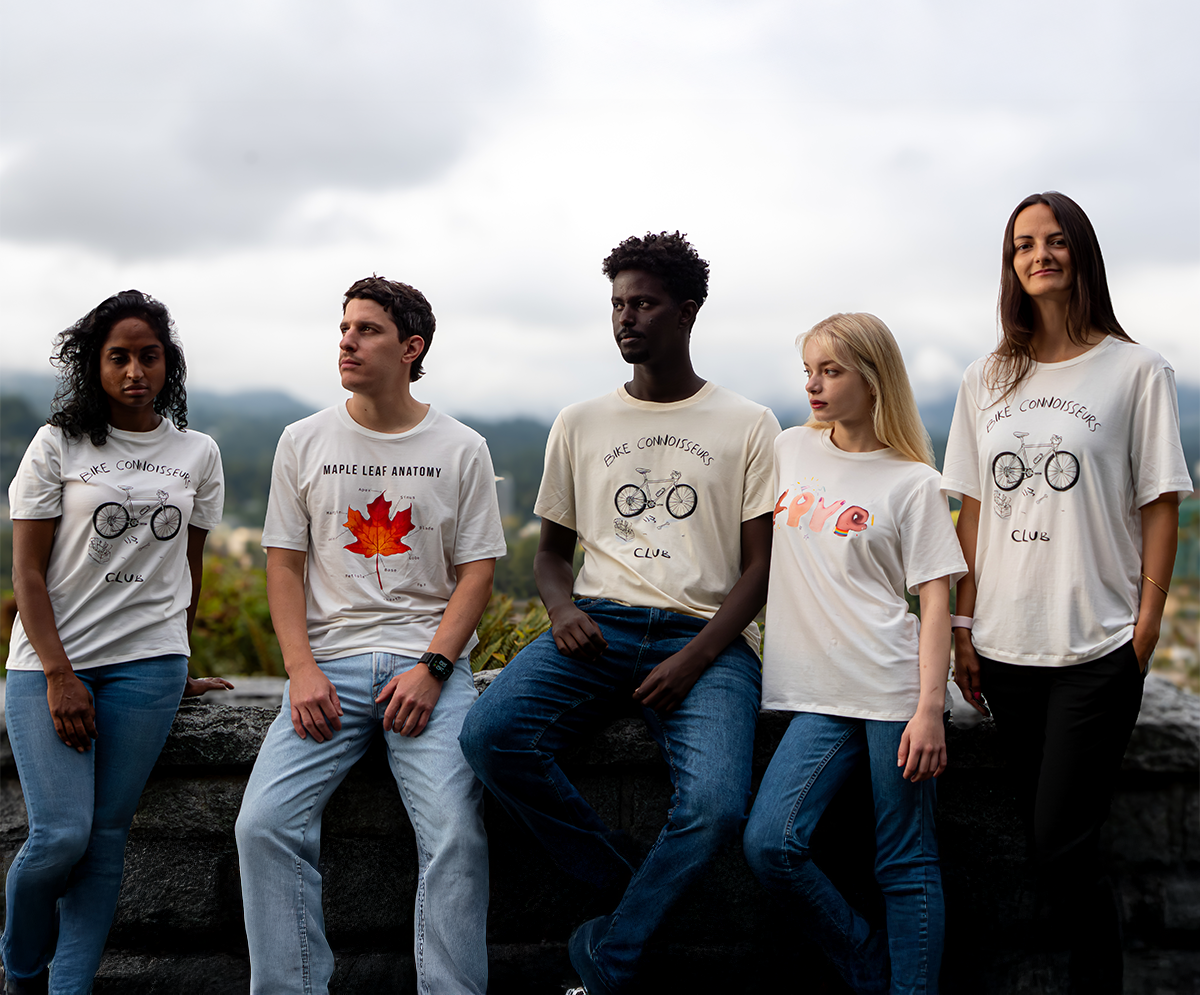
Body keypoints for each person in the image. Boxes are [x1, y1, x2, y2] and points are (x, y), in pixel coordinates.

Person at [459, 230, 780, 994]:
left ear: (687, 312)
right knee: (490, 735)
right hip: (597, 626)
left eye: (643, 304)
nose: (626, 319)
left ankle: (611, 959)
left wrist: (695, 657)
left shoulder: (747, 423)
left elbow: (762, 566)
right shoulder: (580, 422)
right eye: (617, 305)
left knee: (712, 809)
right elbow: (548, 555)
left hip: (706, 641)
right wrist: (562, 608)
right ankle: (629, 888)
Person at [941, 192, 1190, 994]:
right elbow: (971, 514)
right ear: (1010, 264)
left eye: (1054, 241)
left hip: (1096, 648)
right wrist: (964, 628)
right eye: (1022, 245)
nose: (1038, 255)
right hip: (1007, 650)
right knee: (1056, 850)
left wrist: (1143, 632)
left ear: (1081, 251)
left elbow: (1160, 508)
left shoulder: (1137, 370)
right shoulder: (986, 376)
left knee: (1060, 846)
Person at [234, 276, 506, 995]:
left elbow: (477, 573)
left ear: (411, 348)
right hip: (330, 669)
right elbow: (285, 567)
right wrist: (301, 670)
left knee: (455, 834)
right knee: (262, 825)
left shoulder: (461, 446)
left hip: (431, 672)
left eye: (368, 330)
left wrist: (434, 667)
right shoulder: (303, 440)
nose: (347, 341)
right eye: (345, 328)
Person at [2, 290, 229, 995]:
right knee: (59, 837)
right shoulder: (59, 444)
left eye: (149, 356)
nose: (136, 370)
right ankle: (18, 971)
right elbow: (28, 576)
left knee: (104, 843)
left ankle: (70, 990)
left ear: (169, 364)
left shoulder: (197, 453)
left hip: (150, 669)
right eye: (119, 357)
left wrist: (179, 661)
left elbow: (186, 570)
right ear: (93, 366)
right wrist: (58, 674)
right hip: (50, 664)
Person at [743, 313, 965, 995]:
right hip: (815, 691)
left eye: (831, 371)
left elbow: (934, 601)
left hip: (892, 690)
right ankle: (869, 968)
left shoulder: (914, 482)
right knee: (770, 844)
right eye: (809, 370)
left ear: (873, 381)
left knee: (904, 860)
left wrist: (929, 708)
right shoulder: (787, 449)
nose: (814, 384)